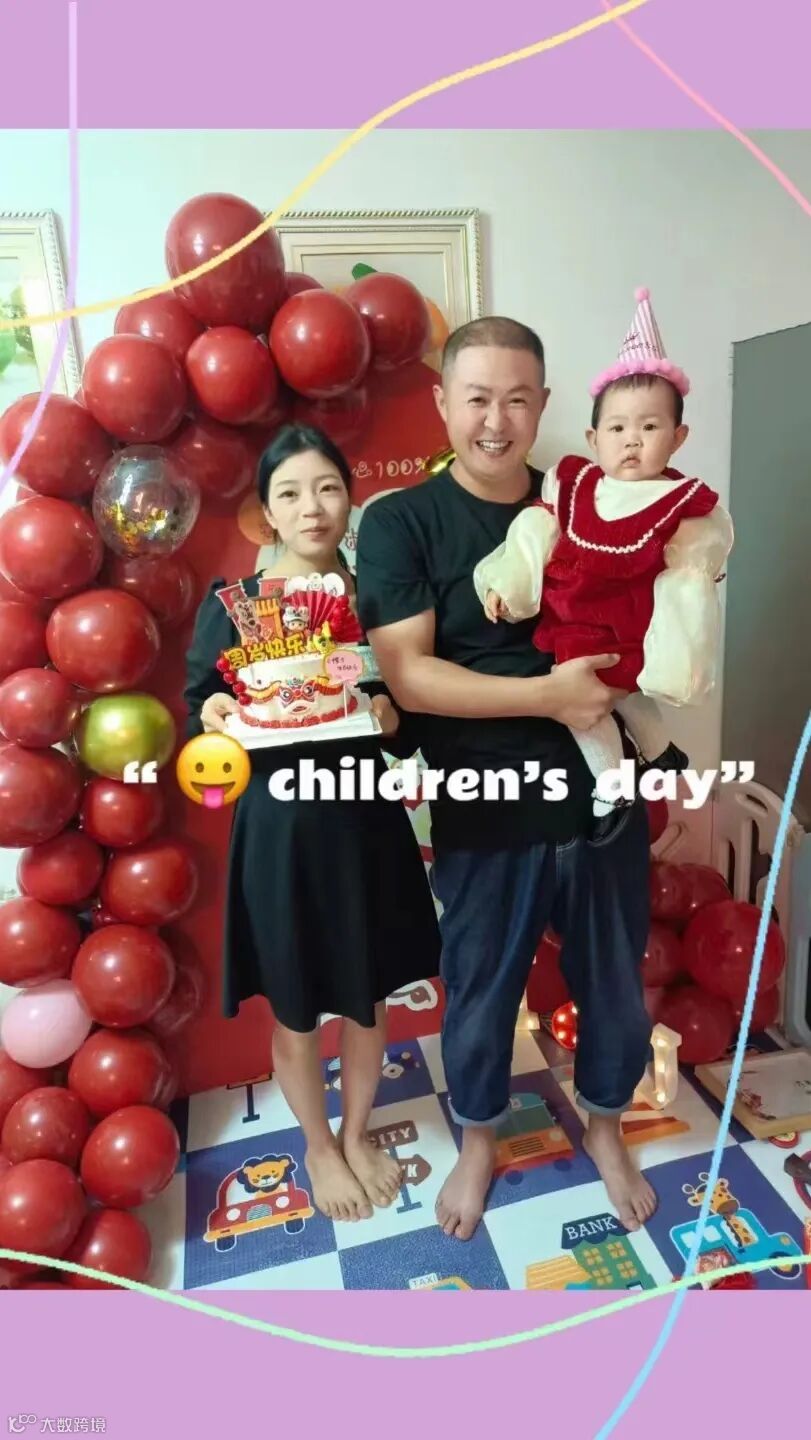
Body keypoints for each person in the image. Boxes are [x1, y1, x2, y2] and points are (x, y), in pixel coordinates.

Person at [356, 317, 656, 1240]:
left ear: (544, 405)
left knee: (613, 981)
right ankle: (479, 1136)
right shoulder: (400, 521)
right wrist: (548, 698)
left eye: (517, 399)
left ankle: (604, 1124)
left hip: (601, 792)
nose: (496, 420)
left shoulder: (588, 497)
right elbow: (410, 676)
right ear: (442, 402)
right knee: (482, 988)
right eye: (477, 398)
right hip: (484, 804)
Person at [184, 422, 441, 1224]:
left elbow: (411, 712)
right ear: (267, 511)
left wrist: (391, 716)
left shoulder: (376, 598)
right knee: (295, 1006)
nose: (312, 507)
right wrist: (213, 715)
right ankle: (318, 1146)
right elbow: (199, 712)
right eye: (290, 493)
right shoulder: (236, 606)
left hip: (365, 825)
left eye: (327, 488)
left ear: (349, 498)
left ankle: (357, 1133)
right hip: (279, 833)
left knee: (367, 998)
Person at [474, 289, 733, 833]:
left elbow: (692, 572)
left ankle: (612, 789)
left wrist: (685, 641)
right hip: (577, 619)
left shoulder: (681, 501)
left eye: (649, 427)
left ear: (678, 437)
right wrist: (509, 584)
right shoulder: (575, 485)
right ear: (594, 438)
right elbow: (533, 534)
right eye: (617, 428)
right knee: (607, 699)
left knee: (597, 701)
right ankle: (657, 755)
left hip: (635, 627)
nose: (631, 441)